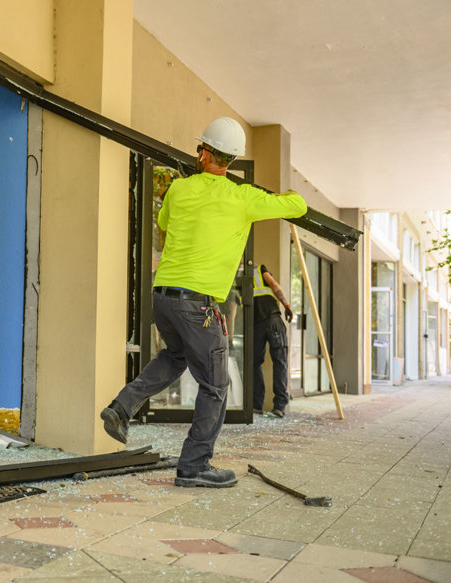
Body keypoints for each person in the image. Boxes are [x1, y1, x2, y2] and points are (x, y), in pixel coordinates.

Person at [100, 117, 307, 488]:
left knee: (174, 358)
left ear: (204, 152)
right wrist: (283, 193)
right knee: (215, 386)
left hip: (163, 296)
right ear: (231, 159)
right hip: (198, 305)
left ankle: (121, 407)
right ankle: (194, 465)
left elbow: (163, 220)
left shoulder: (179, 189)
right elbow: (298, 207)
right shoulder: (244, 198)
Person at [252, 263, 293, 417]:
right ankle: (279, 406)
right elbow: (274, 285)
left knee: (254, 364)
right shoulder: (258, 268)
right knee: (279, 361)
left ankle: (256, 405)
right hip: (272, 320)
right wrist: (286, 305)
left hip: (255, 325)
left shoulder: (233, 275)